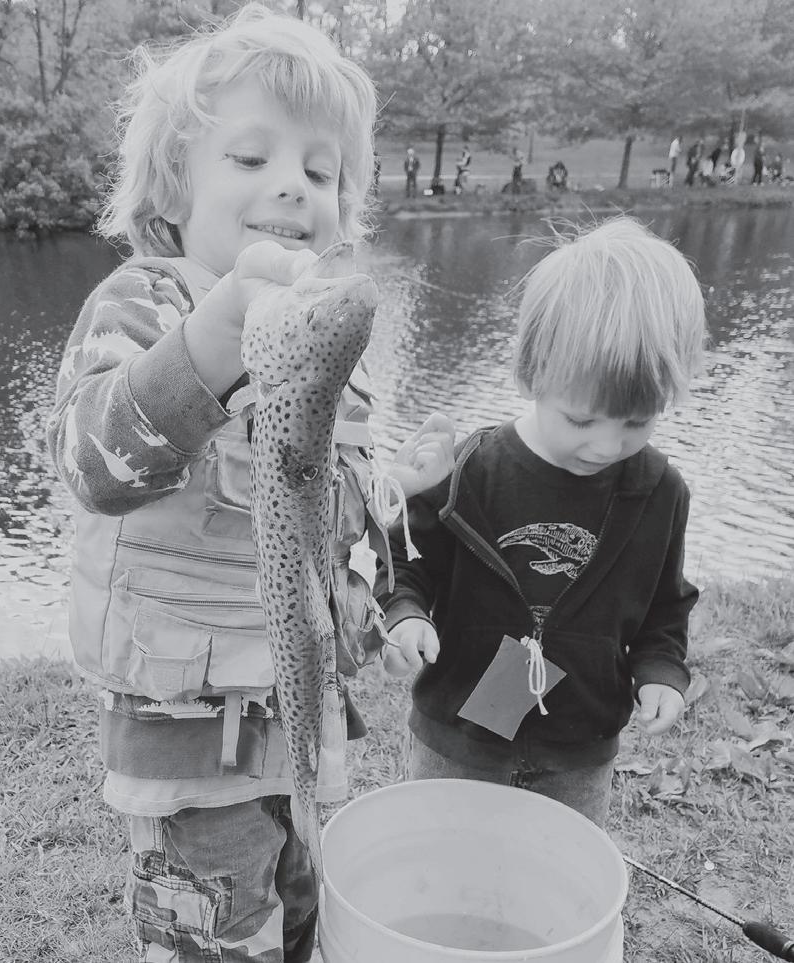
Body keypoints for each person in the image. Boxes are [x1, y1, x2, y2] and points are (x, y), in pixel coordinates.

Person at [45, 6, 455, 961]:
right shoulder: (143, 304)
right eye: (250, 158)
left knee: (302, 926)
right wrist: (211, 340)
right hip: (193, 756)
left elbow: (316, 514)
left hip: (301, 738)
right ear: (173, 182)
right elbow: (89, 460)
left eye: (321, 171)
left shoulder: (315, 336)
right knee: (220, 942)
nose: (293, 186)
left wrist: (395, 483)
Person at [374, 216, 707, 829]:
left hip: (579, 750)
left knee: (557, 872)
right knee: (440, 854)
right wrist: (407, 615)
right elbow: (407, 562)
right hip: (459, 737)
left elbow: (665, 608)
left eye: (637, 422)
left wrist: (662, 673)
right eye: (581, 420)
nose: (607, 445)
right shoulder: (470, 470)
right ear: (532, 374)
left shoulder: (660, 492)